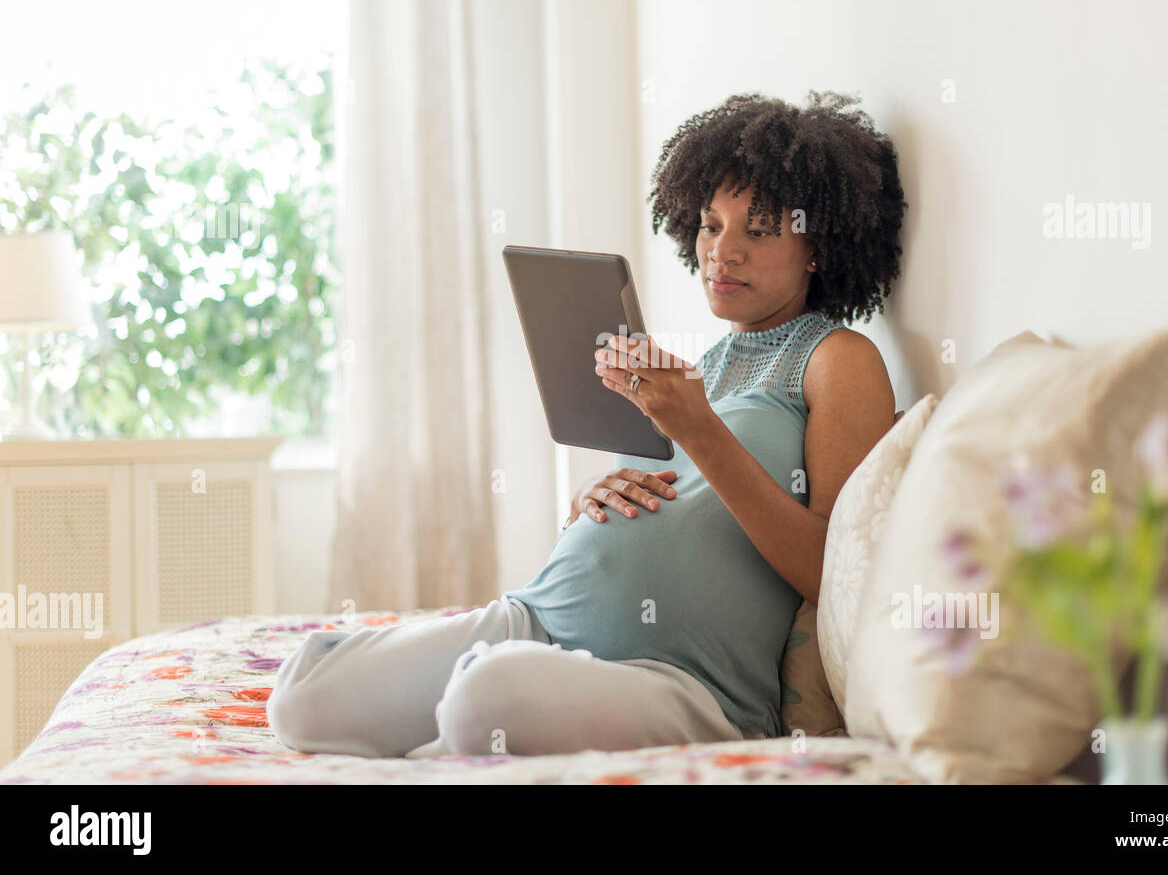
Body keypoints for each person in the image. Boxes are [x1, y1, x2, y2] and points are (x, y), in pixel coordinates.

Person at [268, 90, 904, 758]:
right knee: (303, 701)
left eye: (760, 228)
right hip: (538, 615)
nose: (724, 251)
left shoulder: (838, 360)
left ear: (820, 249)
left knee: (486, 702)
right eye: (711, 225)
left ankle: (470, 707)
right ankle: (469, 697)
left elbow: (832, 570)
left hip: (684, 681)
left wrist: (699, 431)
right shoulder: (705, 366)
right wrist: (588, 502)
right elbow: (684, 506)